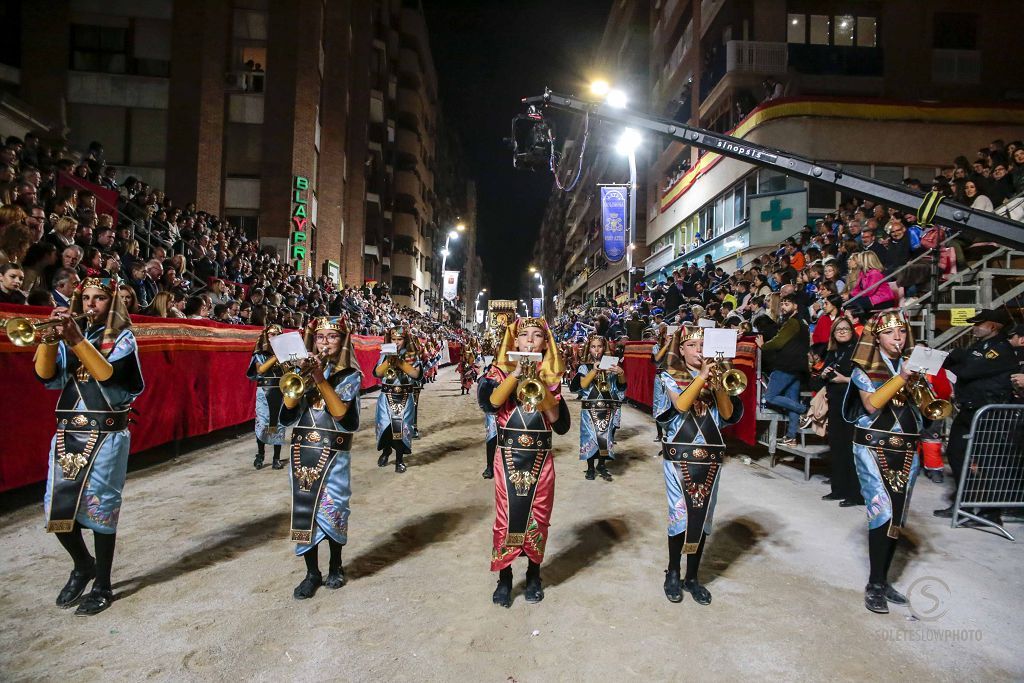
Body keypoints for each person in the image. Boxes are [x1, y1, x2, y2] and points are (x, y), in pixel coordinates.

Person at [34, 276, 144, 615]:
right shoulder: (75, 334)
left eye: (98, 299)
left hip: (107, 434)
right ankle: (83, 564)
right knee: (56, 508)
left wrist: (77, 339)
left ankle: (104, 585)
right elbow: (45, 376)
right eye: (86, 299)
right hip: (68, 432)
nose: (90, 305)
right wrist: (50, 339)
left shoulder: (123, 338)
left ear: (112, 303)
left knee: (101, 509)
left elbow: (109, 376)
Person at [478, 316, 570, 607]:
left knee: (539, 518)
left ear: (545, 344)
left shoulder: (552, 377)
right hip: (507, 458)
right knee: (505, 519)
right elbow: (490, 404)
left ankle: (533, 574)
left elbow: (560, 424)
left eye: (537, 336)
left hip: (540, 460)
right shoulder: (498, 371)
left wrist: (539, 383)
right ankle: (504, 577)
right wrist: (516, 375)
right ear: (514, 341)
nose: (530, 340)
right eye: (524, 335)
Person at [843, 310, 930, 614]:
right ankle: (874, 584)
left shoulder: (910, 365)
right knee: (882, 510)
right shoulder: (864, 366)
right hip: (872, 447)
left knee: (897, 516)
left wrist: (922, 382)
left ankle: (882, 579)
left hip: (907, 447)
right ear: (877, 336)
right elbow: (872, 403)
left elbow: (927, 408)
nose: (898, 338)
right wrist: (903, 377)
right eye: (891, 333)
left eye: (902, 333)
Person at [654, 325, 743, 605]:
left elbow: (728, 415)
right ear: (681, 350)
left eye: (703, 345)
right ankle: (673, 572)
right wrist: (702, 376)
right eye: (692, 346)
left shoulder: (719, 377)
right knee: (680, 515)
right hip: (679, 457)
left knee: (703, 517)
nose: (699, 350)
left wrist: (717, 387)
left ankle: (692, 577)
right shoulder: (670, 375)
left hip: (710, 458)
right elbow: (680, 406)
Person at [278, 316, 362, 600]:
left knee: (336, 507)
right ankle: (311, 572)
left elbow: (342, 416)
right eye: (320, 337)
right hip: (303, 451)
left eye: (332, 337)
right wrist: (298, 375)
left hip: (335, 452)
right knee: (304, 511)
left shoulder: (350, 374)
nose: (325, 343)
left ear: (343, 342)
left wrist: (319, 378)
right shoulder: (300, 370)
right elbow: (286, 414)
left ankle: (336, 565)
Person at [933, 308, 1018, 521]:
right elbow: (955, 363)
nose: (974, 327)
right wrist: (957, 358)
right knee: (956, 453)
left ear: (992, 326)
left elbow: (967, 369)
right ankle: (966, 503)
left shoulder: (1000, 349)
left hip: (990, 414)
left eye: (978, 324)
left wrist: (959, 358)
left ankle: (991, 512)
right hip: (971, 410)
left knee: (988, 462)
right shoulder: (979, 346)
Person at [817, 318, 863, 506]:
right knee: (837, 448)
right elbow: (822, 378)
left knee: (851, 450)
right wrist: (823, 374)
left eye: (846, 329)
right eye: (838, 329)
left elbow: (866, 380)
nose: (842, 332)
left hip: (852, 405)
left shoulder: (858, 351)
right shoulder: (833, 352)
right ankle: (838, 489)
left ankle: (855, 494)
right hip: (835, 405)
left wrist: (844, 379)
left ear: (852, 331)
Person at [570, 334, 626, 481]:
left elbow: (621, 386)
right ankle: (590, 468)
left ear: (604, 348)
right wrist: (594, 370)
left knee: (605, 437)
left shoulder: (612, 365)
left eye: (600, 346)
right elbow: (582, 385)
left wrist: (621, 373)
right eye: (594, 346)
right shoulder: (585, 366)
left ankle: (601, 465)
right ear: (589, 349)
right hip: (590, 408)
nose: (597, 350)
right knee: (589, 437)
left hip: (607, 406)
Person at [757, 293, 810, 446]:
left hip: (786, 365)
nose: (783, 306)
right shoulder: (802, 322)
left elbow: (778, 342)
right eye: (782, 304)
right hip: (798, 367)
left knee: (770, 397)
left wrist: (763, 346)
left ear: (795, 306)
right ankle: (791, 437)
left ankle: (804, 410)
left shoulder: (793, 322)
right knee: (791, 400)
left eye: (787, 304)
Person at [373, 325, 422, 473]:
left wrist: (400, 362)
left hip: (404, 397)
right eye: (393, 339)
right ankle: (386, 451)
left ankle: (399, 459)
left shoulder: (412, 355)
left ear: (405, 340)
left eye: (399, 339)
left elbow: (416, 375)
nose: (396, 342)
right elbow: (377, 373)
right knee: (386, 428)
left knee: (399, 430)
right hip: (386, 397)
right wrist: (389, 360)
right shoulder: (385, 354)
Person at [246, 324, 286, 470]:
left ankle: (276, 458)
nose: (274, 337)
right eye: (271, 334)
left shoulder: (285, 353)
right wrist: (276, 357)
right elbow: (261, 369)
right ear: (266, 336)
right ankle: (260, 454)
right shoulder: (260, 353)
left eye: (277, 334)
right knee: (263, 424)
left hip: (281, 390)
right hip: (264, 390)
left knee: (278, 425)